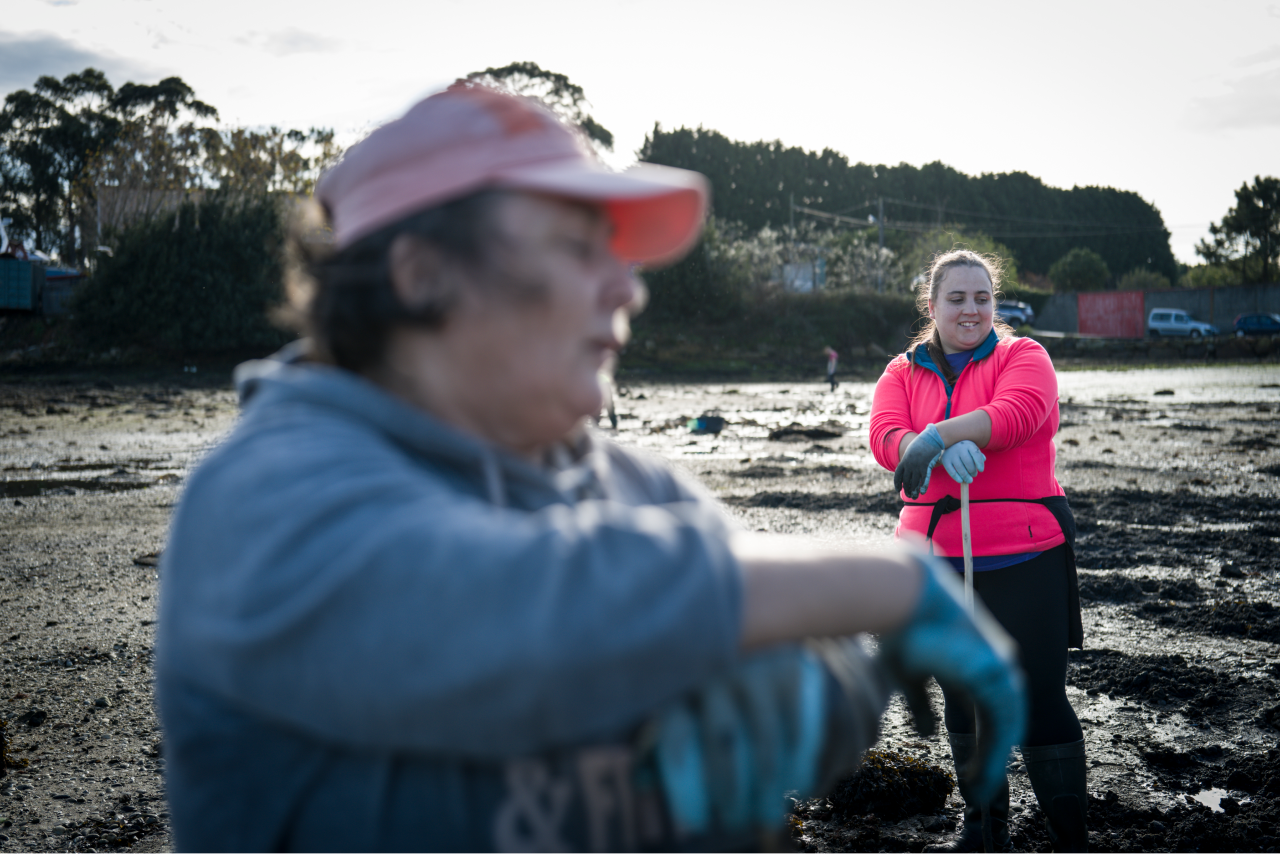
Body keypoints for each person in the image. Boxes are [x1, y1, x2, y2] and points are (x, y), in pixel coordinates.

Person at [155, 85, 1025, 854]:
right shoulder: (260, 499)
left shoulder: (632, 487)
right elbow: (519, 604)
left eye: (620, 252)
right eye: (577, 248)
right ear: (422, 275)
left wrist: (799, 687)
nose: (628, 288)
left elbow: (814, 676)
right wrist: (888, 576)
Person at [869, 249, 1088, 854]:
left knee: (1040, 696)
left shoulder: (1026, 356)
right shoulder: (902, 371)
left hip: (1025, 556)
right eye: (957, 298)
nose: (972, 309)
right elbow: (885, 435)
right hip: (933, 559)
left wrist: (944, 434)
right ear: (932, 306)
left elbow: (1016, 415)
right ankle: (984, 829)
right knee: (959, 696)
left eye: (983, 297)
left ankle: (1071, 839)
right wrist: (917, 444)